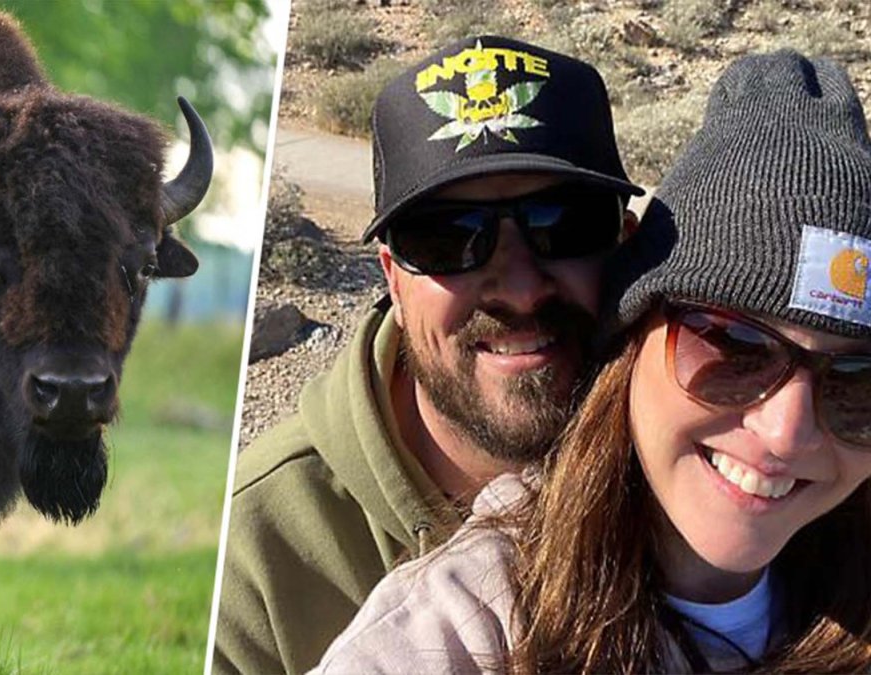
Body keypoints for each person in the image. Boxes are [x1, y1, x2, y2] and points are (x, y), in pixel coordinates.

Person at [312, 49, 871, 673]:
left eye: (858, 383)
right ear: (632, 325)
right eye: (733, 346)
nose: (788, 431)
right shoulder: (460, 629)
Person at [214, 36, 643, 674]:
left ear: (626, 244)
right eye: (449, 239)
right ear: (392, 277)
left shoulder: (698, 471)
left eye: (562, 224)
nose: (520, 288)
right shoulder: (254, 555)